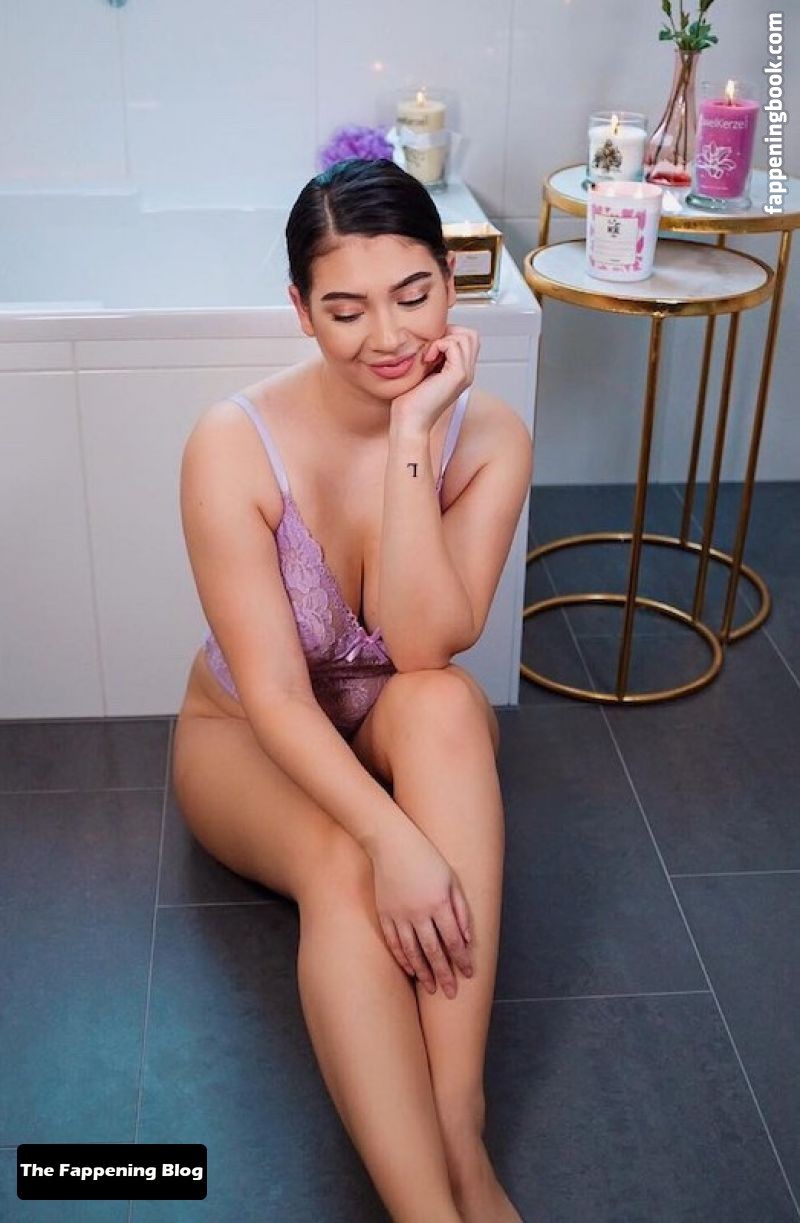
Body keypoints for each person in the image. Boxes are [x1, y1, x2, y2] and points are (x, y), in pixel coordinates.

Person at [172, 157, 533, 1222]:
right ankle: (427, 1210)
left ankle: (458, 1125)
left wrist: (412, 436)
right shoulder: (231, 444)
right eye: (344, 309)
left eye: (412, 295)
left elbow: (420, 647)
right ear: (299, 309)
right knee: (343, 863)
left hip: (389, 717)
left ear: (452, 282)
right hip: (249, 735)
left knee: (446, 703)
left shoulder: (488, 438)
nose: (386, 336)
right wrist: (392, 839)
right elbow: (280, 700)